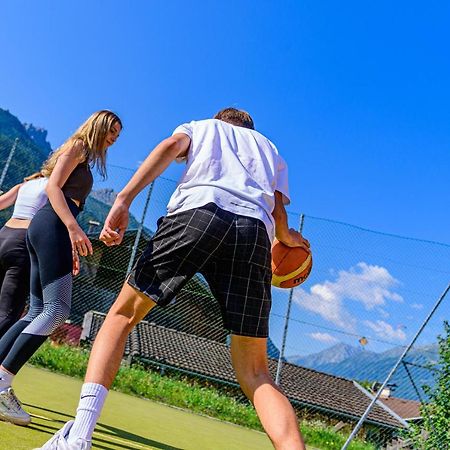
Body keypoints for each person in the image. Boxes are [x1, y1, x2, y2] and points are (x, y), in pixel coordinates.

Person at [36, 107, 307, 450]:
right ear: (249, 127)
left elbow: (170, 146)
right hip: (254, 232)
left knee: (121, 316)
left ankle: (79, 438)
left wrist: (123, 199)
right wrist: (288, 238)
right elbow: (278, 215)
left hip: (200, 212)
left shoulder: (204, 128)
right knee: (256, 373)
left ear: (221, 120)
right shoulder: (270, 150)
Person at [0, 110, 122, 426]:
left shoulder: (83, 156)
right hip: (51, 225)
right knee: (56, 311)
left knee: (36, 311)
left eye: (118, 135)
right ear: (98, 125)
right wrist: (72, 229)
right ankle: (1, 384)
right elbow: (54, 188)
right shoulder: (79, 145)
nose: (114, 138)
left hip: (49, 228)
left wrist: (69, 240)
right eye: (112, 130)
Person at [0, 172, 48, 338]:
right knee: (7, 312)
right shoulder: (56, 187)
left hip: (4, 235)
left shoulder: (24, 185)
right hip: (23, 241)